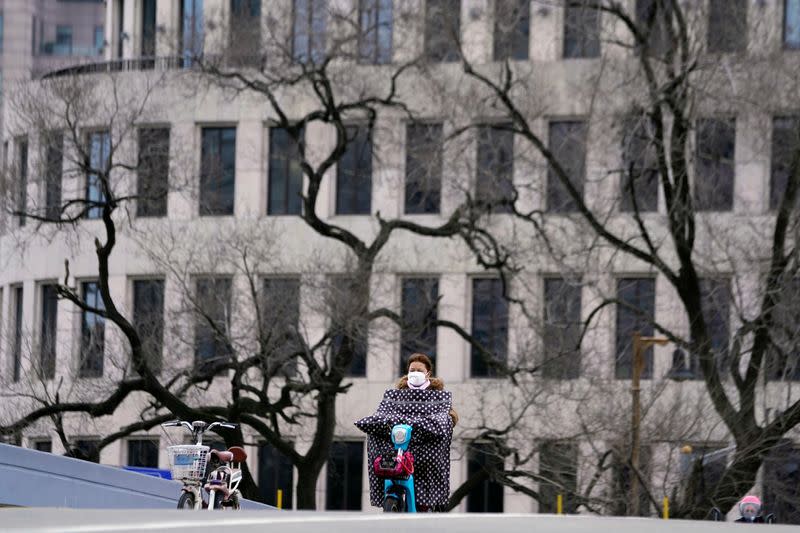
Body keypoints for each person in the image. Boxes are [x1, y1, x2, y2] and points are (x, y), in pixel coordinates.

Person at [396, 353, 458, 427]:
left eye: (419, 371)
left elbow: (452, 417)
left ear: (428, 374)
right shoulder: (400, 393)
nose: (415, 373)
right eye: (412, 370)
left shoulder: (438, 393)